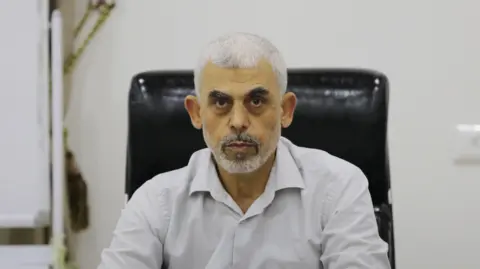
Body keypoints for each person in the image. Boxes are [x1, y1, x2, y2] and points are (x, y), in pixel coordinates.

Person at [98, 32, 391, 269]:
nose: (238, 122)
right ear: (196, 112)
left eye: (257, 101)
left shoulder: (338, 187)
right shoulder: (156, 202)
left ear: (286, 111)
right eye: (221, 102)